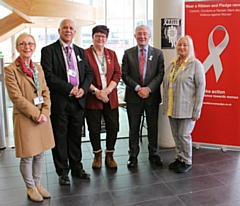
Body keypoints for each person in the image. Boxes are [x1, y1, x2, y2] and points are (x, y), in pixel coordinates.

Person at [40, 19, 93, 185]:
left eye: (71, 28)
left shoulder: (80, 51)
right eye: (65, 28)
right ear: (59, 30)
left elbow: (88, 73)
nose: (68, 30)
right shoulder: (49, 51)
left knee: (76, 136)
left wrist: (83, 89)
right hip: (60, 101)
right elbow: (48, 75)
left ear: (75, 32)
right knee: (60, 137)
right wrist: (70, 88)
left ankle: (77, 168)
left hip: (78, 102)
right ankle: (63, 171)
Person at [4, 33, 55, 202]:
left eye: (30, 44)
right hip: (26, 118)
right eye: (23, 44)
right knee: (28, 155)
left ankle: (38, 184)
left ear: (34, 47)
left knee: (40, 153)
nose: (27, 47)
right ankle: (30, 187)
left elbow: (46, 90)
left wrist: (45, 112)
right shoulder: (10, 70)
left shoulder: (37, 68)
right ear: (17, 47)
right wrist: (37, 114)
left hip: (42, 117)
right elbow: (16, 98)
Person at [122, 25, 165, 168]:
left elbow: (160, 74)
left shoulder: (158, 54)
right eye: (139, 34)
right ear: (135, 36)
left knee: (153, 126)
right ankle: (133, 155)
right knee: (133, 127)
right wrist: (138, 88)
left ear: (149, 36)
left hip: (151, 96)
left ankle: (154, 153)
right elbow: (124, 74)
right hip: (134, 97)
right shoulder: (128, 53)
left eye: (145, 34)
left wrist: (149, 89)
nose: (142, 36)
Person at [162, 35, 206, 173]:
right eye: (179, 45)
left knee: (184, 135)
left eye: (185, 45)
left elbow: (201, 87)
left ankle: (187, 161)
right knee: (176, 135)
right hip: (172, 106)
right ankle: (179, 158)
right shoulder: (173, 64)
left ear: (190, 47)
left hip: (187, 108)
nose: (181, 47)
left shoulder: (195, 64)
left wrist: (196, 110)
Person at [84, 25, 121, 169]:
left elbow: (117, 73)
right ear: (93, 37)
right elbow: (82, 76)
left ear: (106, 38)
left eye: (103, 36)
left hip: (110, 97)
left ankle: (110, 154)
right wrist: (96, 92)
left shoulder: (111, 54)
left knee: (113, 127)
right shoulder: (85, 53)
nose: (100, 39)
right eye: (97, 36)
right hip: (92, 97)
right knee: (94, 128)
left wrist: (107, 90)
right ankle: (97, 155)